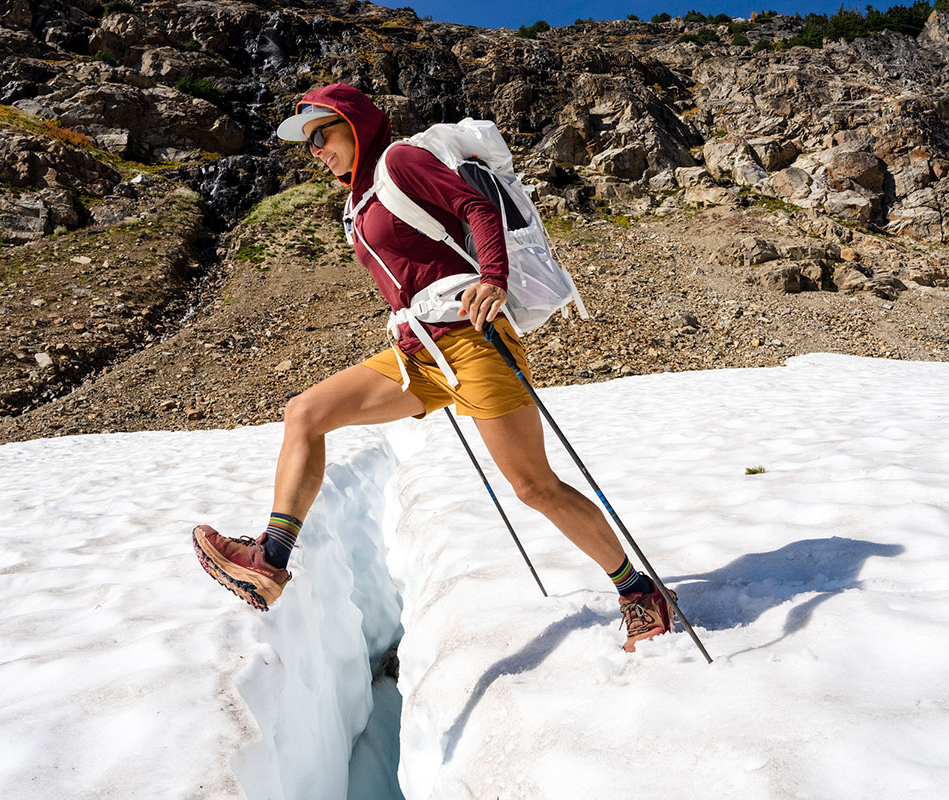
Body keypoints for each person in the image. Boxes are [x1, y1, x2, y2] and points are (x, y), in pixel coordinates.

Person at [192, 83, 674, 652]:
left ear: (356, 124)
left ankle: (639, 591)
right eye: (310, 143)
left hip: (471, 341)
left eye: (323, 134)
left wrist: (492, 279)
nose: (316, 149)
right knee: (306, 414)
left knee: (533, 486)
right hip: (419, 354)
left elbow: (475, 207)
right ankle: (269, 561)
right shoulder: (359, 200)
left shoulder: (399, 160)